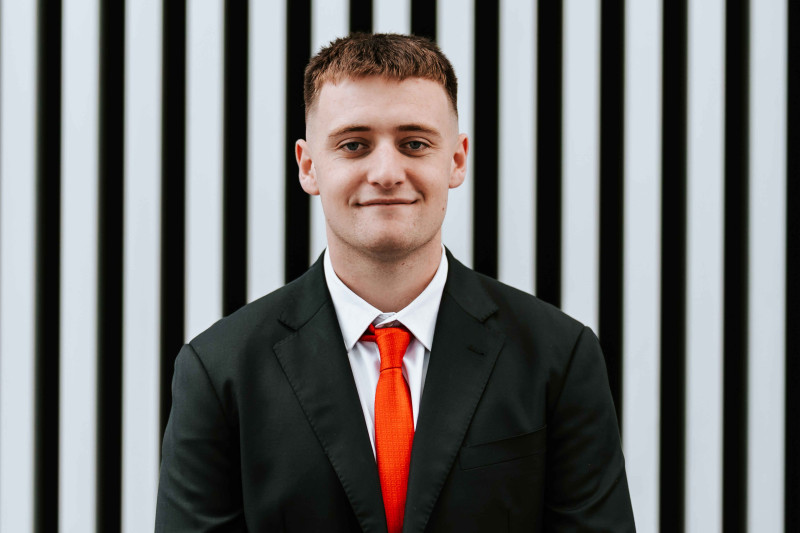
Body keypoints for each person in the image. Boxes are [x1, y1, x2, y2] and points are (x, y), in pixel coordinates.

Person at [155, 33, 635, 532]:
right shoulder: (219, 371)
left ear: (456, 160)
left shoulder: (559, 356)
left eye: (414, 144)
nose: (386, 173)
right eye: (354, 145)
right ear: (308, 166)